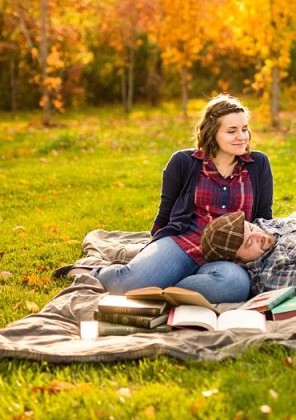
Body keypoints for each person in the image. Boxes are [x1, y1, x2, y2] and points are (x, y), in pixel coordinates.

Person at [80, 94, 274, 303]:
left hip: (230, 255)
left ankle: (164, 284)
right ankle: (94, 271)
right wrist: (154, 250)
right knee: (130, 285)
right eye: (231, 131)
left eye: (244, 129)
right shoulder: (183, 162)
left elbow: (263, 218)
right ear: (212, 132)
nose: (242, 137)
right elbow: (165, 213)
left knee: (235, 286)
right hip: (185, 242)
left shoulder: (258, 164)